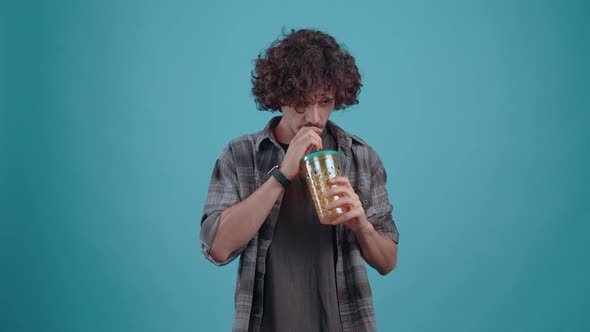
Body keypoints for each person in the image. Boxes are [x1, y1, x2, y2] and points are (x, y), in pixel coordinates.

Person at [200, 28, 400, 332]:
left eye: (325, 101)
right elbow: (217, 248)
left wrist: (363, 227)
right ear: (279, 96)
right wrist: (281, 174)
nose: (315, 117)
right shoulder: (240, 155)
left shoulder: (361, 157)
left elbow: (387, 262)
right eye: (301, 103)